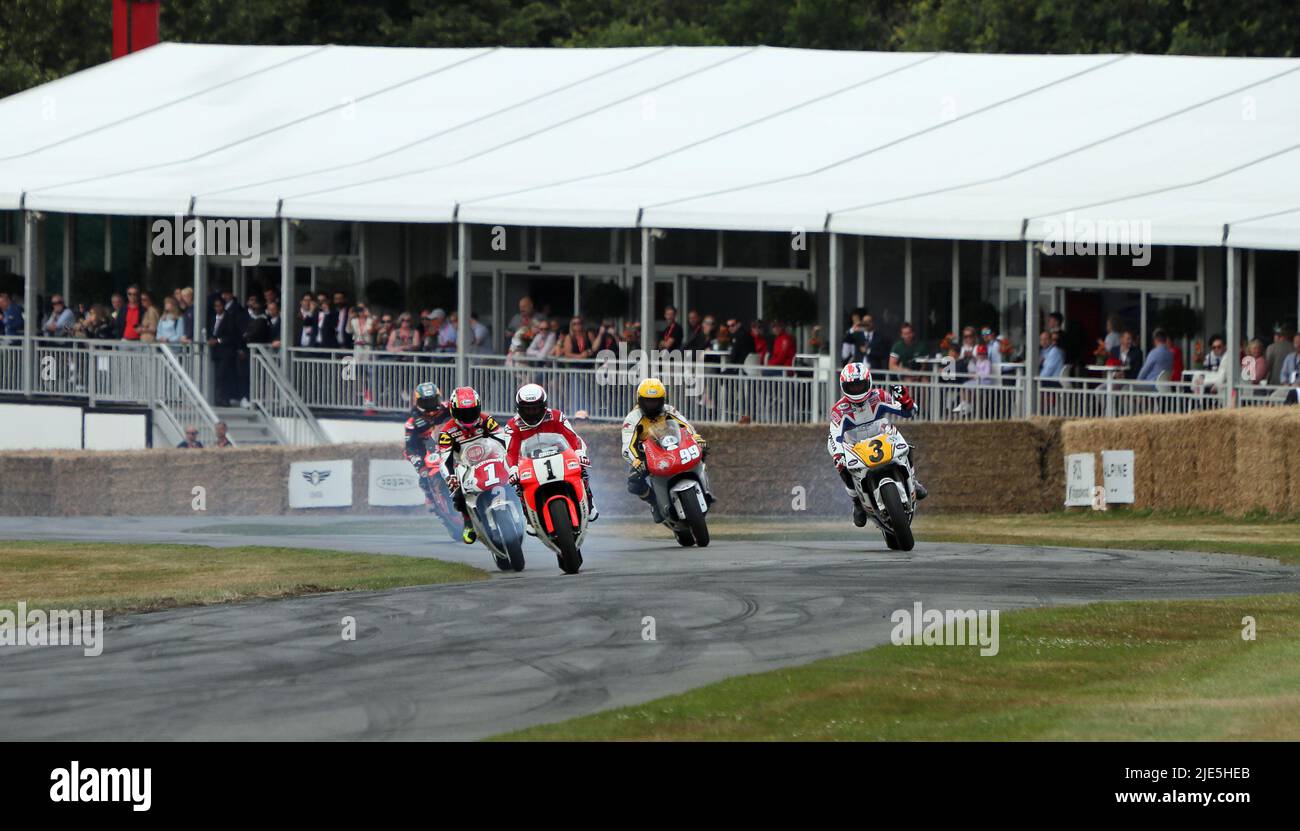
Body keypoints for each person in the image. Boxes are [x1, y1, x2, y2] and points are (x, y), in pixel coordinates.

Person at [827, 362, 927, 528]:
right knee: (841, 466)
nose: (857, 389)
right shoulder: (839, 409)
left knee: (906, 447)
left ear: (868, 382)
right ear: (844, 387)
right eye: (852, 386)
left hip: (882, 437)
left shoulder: (879, 396)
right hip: (856, 447)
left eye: (860, 384)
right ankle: (857, 502)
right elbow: (833, 435)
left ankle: (913, 481)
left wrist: (906, 400)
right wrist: (839, 455)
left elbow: (908, 412)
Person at [620, 377, 713, 524]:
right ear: (639, 400)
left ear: (662, 399)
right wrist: (636, 461)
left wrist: (697, 439)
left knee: (703, 451)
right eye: (648, 401)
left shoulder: (669, 410)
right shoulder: (632, 418)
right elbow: (627, 446)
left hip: (674, 446)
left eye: (656, 401)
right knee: (634, 482)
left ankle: (705, 488)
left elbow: (686, 426)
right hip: (648, 454)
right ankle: (655, 502)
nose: (652, 405)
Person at [504, 383, 598, 522]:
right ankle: (530, 518)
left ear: (544, 406)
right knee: (519, 485)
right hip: (529, 463)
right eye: (527, 409)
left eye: (536, 408)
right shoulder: (512, 425)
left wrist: (579, 454)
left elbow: (573, 438)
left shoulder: (556, 416)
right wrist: (513, 470)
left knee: (581, 470)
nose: (532, 413)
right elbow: (510, 453)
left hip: (559, 456)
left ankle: (589, 503)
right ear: (519, 408)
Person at [435, 387, 506, 544]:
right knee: (457, 491)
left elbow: (504, 440)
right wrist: (450, 478)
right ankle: (468, 523)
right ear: (454, 411)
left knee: (514, 477)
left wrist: (512, 457)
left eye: (472, 411)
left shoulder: (486, 420)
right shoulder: (447, 432)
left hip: (490, 458)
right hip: (465, 466)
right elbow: (444, 460)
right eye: (463, 413)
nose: (468, 417)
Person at [403, 382, 454, 515]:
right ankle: (431, 496)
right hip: (427, 450)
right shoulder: (412, 423)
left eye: (433, 400)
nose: (431, 406)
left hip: (451, 442)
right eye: (426, 402)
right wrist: (418, 462)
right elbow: (409, 448)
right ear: (418, 402)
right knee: (424, 474)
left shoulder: (447, 407)